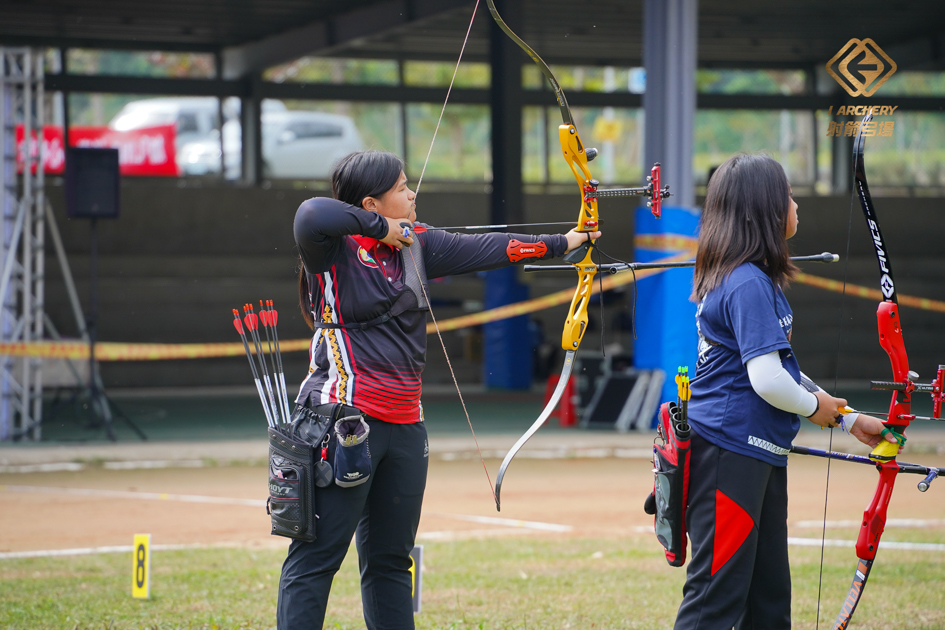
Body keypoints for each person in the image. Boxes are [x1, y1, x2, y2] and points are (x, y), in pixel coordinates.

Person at [278, 150, 600, 630]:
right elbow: (311, 213)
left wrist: (567, 241)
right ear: (370, 204)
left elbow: (493, 248)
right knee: (316, 559)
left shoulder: (419, 244)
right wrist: (380, 228)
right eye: (401, 188)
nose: (412, 194)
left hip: (406, 427)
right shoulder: (332, 250)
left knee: (391, 561)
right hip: (343, 421)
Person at [674, 154, 900, 630]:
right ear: (765, 209)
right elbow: (768, 380)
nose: (796, 205)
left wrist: (847, 418)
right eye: (790, 196)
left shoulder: (750, 278)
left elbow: (779, 370)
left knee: (768, 601)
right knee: (715, 599)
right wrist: (817, 409)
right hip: (730, 454)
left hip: (753, 454)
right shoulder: (746, 281)